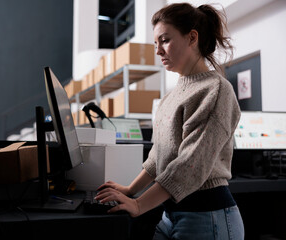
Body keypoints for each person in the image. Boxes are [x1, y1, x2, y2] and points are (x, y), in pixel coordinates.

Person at [95, 2, 244, 240]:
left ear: (192, 37)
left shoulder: (215, 90)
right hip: (172, 213)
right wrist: (130, 190)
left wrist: (139, 205)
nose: (158, 51)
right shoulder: (169, 97)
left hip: (208, 216)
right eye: (155, 44)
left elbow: (190, 164)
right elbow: (159, 156)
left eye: (164, 40)